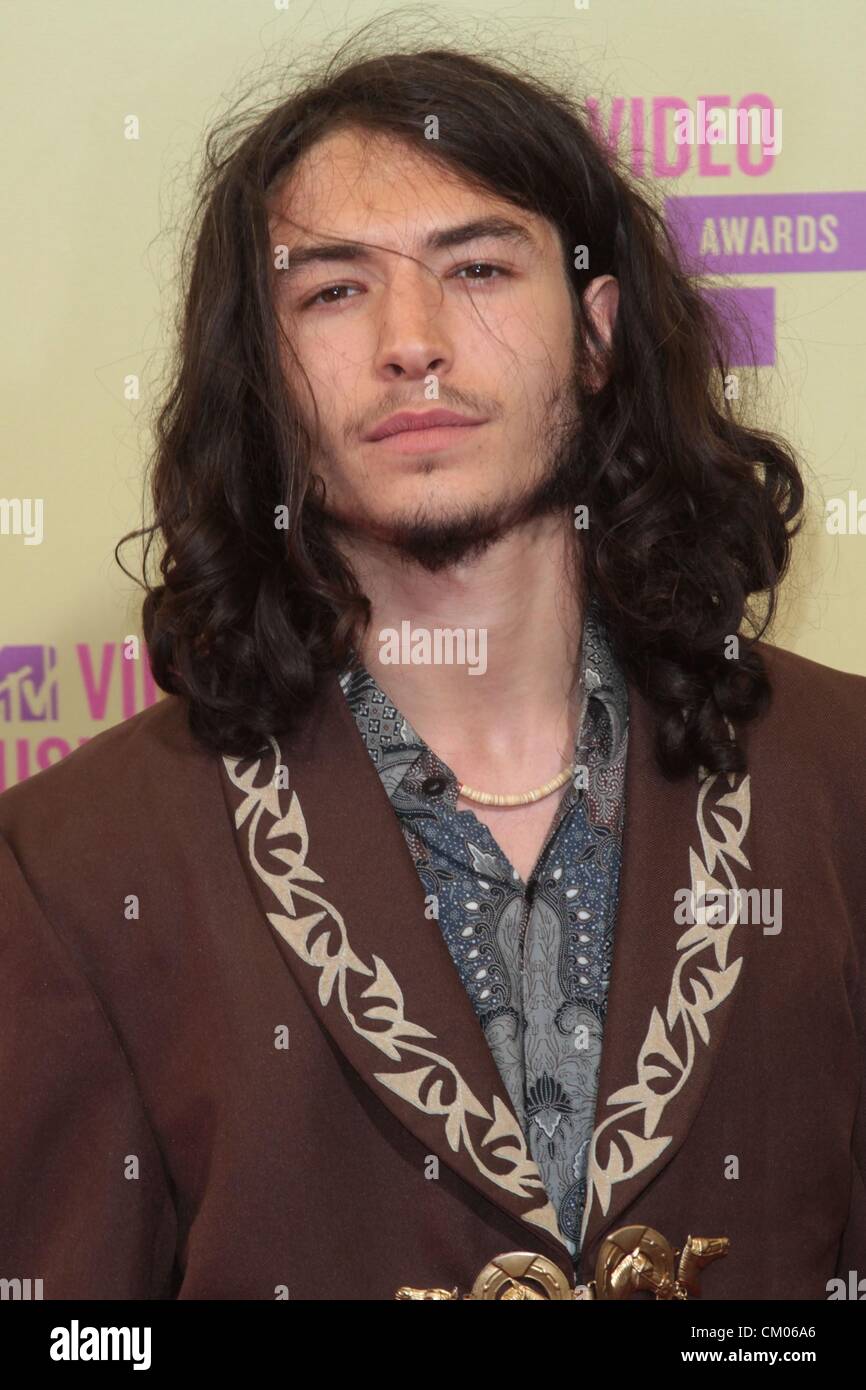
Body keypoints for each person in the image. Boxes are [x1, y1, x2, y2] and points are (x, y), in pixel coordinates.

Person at [1, 43, 864, 1303]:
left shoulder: (840, 774)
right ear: (265, 378)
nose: (411, 343)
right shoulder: (74, 869)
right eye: (334, 293)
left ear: (594, 333)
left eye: (475, 269)